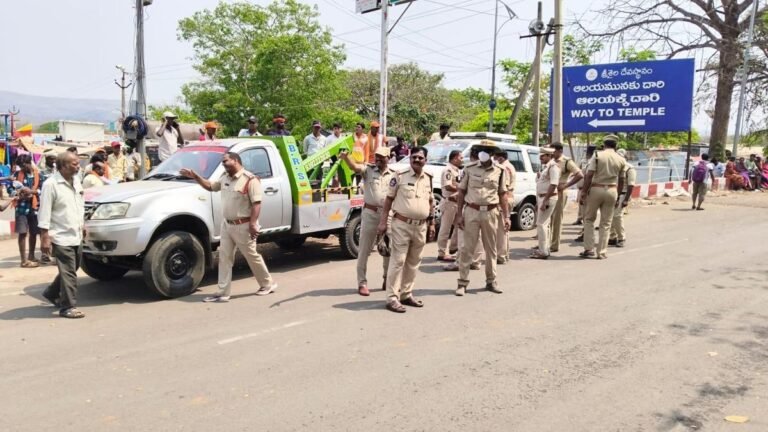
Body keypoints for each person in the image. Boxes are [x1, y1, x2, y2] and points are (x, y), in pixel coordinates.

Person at [180, 152, 276, 302]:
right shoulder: (225, 177)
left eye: (226, 161)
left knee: (251, 256)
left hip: (243, 225)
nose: (223, 164)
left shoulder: (250, 180)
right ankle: (223, 292)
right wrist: (195, 176)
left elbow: (257, 203)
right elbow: (211, 186)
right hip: (227, 225)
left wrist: (253, 224)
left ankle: (267, 284)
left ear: (236, 161)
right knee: (224, 257)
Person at [377, 146, 435, 313]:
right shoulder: (400, 176)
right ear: (410, 158)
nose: (416, 160)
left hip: (421, 227)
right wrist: (382, 223)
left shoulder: (428, 178)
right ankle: (392, 298)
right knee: (398, 261)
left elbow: (431, 202)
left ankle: (406, 294)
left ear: (426, 160)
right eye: (414, 157)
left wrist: (431, 224)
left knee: (413, 262)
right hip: (401, 225)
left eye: (420, 158)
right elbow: (388, 200)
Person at [455, 141, 510, 296]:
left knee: (491, 248)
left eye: (487, 150)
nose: (483, 152)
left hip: (491, 212)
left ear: (492, 154)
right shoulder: (469, 169)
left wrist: (506, 217)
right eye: (480, 150)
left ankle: (491, 281)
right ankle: (462, 283)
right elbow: (461, 192)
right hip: (471, 211)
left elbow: (503, 194)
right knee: (467, 249)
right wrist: (459, 215)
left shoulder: (499, 171)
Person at [340, 146, 396, 296]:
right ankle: (362, 283)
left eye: (381, 157)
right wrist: (346, 157)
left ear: (388, 158)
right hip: (371, 213)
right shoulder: (368, 170)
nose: (378, 159)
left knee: (387, 249)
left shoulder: (394, 175)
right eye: (376, 156)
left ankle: (387, 278)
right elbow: (355, 166)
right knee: (364, 250)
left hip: (388, 214)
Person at [39, 151, 86, 319]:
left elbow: (79, 204)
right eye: (74, 164)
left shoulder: (77, 181)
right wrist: (45, 238)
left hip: (76, 233)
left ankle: (51, 292)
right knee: (69, 272)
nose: (78, 166)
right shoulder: (51, 184)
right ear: (63, 166)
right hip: (60, 235)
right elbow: (44, 212)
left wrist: (83, 224)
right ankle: (67, 307)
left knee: (72, 268)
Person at [579, 135, 629, 259]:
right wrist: (617, 195)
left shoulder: (597, 156)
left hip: (596, 188)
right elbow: (622, 179)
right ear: (616, 146)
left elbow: (589, 175)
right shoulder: (621, 159)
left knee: (589, 219)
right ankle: (601, 252)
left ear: (604, 144)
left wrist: (584, 192)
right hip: (612, 190)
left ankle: (589, 249)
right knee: (606, 223)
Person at [547, 143, 582, 253]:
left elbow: (579, 174)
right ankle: (545, 243)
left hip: (560, 191)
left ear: (559, 151)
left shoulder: (566, 161)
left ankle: (554, 245)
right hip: (548, 191)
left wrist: (566, 185)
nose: (551, 153)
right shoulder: (550, 161)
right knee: (547, 219)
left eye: (552, 151)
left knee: (557, 219)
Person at [10, 154, 41, 268]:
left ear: (29, 162)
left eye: (24, 165)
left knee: (33, 232)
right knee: (22, 233)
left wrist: (33, 192)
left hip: (34, 207)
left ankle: (31, 256)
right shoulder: (17, 175)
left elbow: (42, 190)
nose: (23, 168)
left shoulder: (38, 175)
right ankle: (24, 260)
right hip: (21, 207)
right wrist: (19, 193)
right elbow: (10, 190)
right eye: (21, 166)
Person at [530, 148, 559, 259]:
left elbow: (553, 184)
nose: (540, 158)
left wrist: (545, 200)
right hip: (543, 197)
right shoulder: (546, 167)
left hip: (548, 198)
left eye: (542, 156)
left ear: (549, 155)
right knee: (544, 224)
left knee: (541, 224)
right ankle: (544, 249)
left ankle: (543, 251)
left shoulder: (553, 167)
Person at [437, 150, 463, 262]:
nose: (462, 160)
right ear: (454, 158)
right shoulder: (448, 170)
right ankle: (442, 252)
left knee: (459, 226)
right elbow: (448, 186)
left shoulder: (457, 170)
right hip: (449, 202)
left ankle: (453, 247)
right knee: (445, 228)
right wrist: (461, 189)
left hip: (457, 203)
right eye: (461, 157)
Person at [608, 149, 637, 247]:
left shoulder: (629, 168)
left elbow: (631, 185)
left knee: (617, 216)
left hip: (623, 194)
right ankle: (612, 237)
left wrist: (626, 200)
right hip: (613, 194)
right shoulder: (614, 167)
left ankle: (621, 238)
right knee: (610, 216)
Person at [493, 148, 516, 264]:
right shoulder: (509, 166)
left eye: (495, 157)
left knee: (501, 229)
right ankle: (504, 254)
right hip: (508, 198)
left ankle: (501, 255)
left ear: (500, 158)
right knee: (504, 229)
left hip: (505, 199)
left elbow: (503, 188)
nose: (494, 160)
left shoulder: (504, 168)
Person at [574, 145, 596, 228]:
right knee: (581, 207)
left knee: (586, 210)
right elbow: (578, 170)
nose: (587, 153)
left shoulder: (594, 161)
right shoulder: (583, 161)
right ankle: (580, 220)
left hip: (587, 188)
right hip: (581, 187)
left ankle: (585, 229)